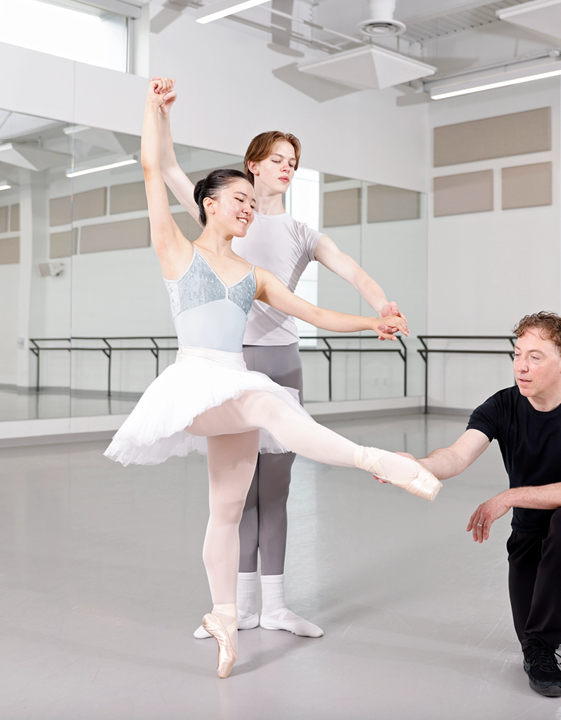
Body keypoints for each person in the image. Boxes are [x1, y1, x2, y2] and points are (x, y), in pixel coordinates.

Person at [105, 78, 441, 679]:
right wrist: (153, 109)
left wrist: (371, 321)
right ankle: (378, 461)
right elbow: (155, 168)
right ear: (211, 202)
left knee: (226, 511)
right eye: (239, 198)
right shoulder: (177, 250)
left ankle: (225, 618)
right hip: (199, 383)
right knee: (266, 407)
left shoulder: (254, 272)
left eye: (250, 203)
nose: (247, 207)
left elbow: (312, 314)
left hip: (237, 377)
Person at [156, 81, 407, 640]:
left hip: (282, 361)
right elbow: (167, 165)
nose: (287, 168)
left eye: (293, 162)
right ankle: (235, 608)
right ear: (252, 166)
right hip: (228, 364)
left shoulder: (300, 231)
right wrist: (163, 114)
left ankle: (275, 606)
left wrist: (380, 306)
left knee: (276, 487)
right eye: (278, 160)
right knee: (233, 490)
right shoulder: (226, 214)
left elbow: (351, 270)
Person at [398, 312, 561, 697]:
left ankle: (541, 651)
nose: (521, 365)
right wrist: (414, 466)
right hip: (531, 529)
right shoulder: (501, 406)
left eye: (535, 356)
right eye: (518, 353)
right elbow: (455, 456)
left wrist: (509, 496)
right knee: (542, 626)